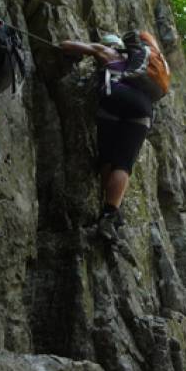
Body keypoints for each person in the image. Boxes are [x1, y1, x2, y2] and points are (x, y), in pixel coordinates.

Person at [59, 35, 153, 240]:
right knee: (124, 164)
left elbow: (68, 45)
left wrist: (71, 48)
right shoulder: (136, 67)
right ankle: (110, 213)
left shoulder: (108, 53)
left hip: (115, 99)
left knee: (108, 159)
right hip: (142, 108)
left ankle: (108, 211)